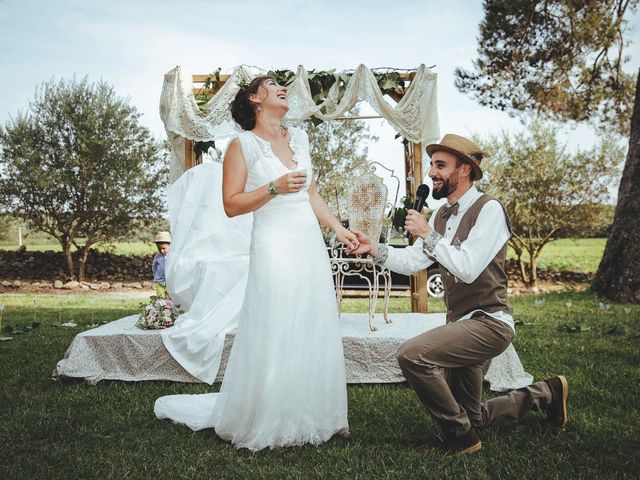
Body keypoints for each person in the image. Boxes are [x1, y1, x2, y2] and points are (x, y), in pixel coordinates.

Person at [155, 76, 359, 451]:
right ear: (254, 99)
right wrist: (273, 188)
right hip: (272, 242)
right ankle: (269, 416)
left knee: (312, 319)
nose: (283, 88)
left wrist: (337, 230)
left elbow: (311, 190)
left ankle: (321, 414)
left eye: (283, 85)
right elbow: (232, 205)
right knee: (278, 320)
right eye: (273, 84)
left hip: (307, 244)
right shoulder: (242, 145)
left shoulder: (300, 138)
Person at [351, 133, 569, 455]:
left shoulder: (489, 210)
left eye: (440, 165)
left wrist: (427, 233)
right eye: (431, 165)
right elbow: (414, 261)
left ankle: (459, 436)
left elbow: (467, 268)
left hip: (489, 323)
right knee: (475, 415)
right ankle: (545, 393)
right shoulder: (440, 216)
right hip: (460, 324)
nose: (431, 173)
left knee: (411, 354)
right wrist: (376, 250)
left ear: (464, 169)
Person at [152, 231, 171, 298]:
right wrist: (156, 277)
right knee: (160, 299)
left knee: (170, 299)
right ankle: (161, 308)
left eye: (164, 248)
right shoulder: (158, 256)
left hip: (170, 282)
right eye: (159, 249)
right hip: (160, 282)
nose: (162, 251)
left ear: (170, 245)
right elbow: (154, 267)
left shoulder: (172, 256)